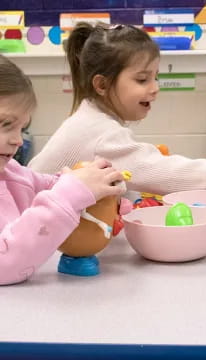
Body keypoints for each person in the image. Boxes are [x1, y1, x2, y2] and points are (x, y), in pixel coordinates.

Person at [29, 22, 206, 194]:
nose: (155, 88)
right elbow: (160, 170)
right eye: (142, 80)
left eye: (156, 77)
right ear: (102, 84)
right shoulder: (98, 131)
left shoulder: (91, 118)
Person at [0, 54, 125, 285]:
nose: (18, 140)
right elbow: (4, 264)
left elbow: (45, 185)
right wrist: (71, 192)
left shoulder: (9, 172)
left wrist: (95, 187)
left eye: (22, 127)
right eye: (6, 124)